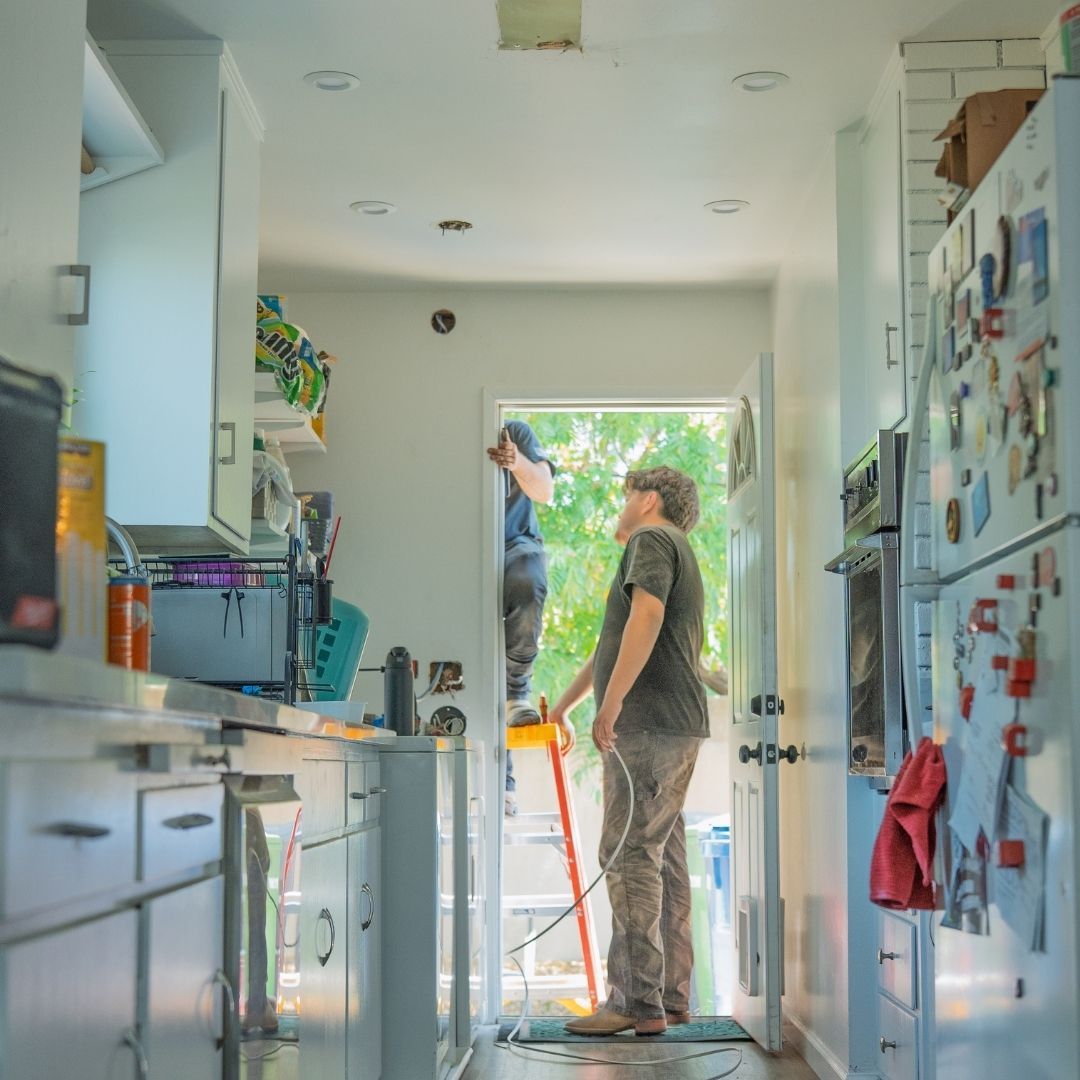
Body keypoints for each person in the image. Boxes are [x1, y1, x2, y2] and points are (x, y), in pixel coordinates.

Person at [548, 466, 708, 1037]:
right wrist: (568, 705)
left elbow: (648, 617)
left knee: (629, 853)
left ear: (648, 500)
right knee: (660, 856)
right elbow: (612, 645)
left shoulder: (651, 539)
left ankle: (635, 1005)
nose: (620, 510)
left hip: (649, 726)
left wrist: (612, 707)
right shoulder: (675, 549)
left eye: (624, 498)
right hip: (674, 727)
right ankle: (668, 997)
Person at [486, 420, 568, 816]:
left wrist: (516, 462)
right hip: (466, 549)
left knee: (526, 573)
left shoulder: (513, 432)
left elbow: (545, 489)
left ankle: (517, 693)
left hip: (514, 546)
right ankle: (501, 782)